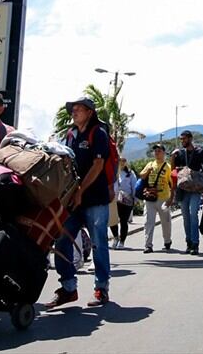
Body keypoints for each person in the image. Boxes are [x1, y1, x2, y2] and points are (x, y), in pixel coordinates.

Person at [48, 97, 112, 309]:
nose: (73, 112)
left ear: (90, 112)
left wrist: (80, 190)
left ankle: (101, 288)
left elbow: (98, 164)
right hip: (73, 200)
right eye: (72, 109)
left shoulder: (98, 133)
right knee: (62, 240)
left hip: (94, 198)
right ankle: (68, 288)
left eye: (78, 109)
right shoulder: (70, 135)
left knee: (98, 243)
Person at [171, 130, 203, 255]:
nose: (182, 141)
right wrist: (172, 157)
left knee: (193, 214)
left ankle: (195, 243)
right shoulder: (179, 153)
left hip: (195, 188)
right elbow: (173, 171)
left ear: (190, 138)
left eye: (184, 139)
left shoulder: (200, 152)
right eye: (181, 139)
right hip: (183, 189)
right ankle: (188, 242)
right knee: (185, 216)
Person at [139, 144, 174, 253]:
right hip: (150, 198)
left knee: (166, 222)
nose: (156, 153)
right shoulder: (150, 164)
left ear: (163, 153)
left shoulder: (168, 167)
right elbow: (141, 176)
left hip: (163, 198)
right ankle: (148, 245)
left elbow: (172, 184)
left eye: (159, 151)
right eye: (155, 151)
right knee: (148, 222)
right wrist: (147, 170)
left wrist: (171, 199)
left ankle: (167, 241)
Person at [111, 158, 136, 250]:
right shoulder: (113, 172)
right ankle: (116, 237)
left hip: (126, 200)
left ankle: (122, 241)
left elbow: (134, 186)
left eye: (123, 161)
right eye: (119, 161)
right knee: (112, 220)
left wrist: (135, 199)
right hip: (114, 199)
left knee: (123, 220)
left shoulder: (130, 173)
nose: (121, 163)